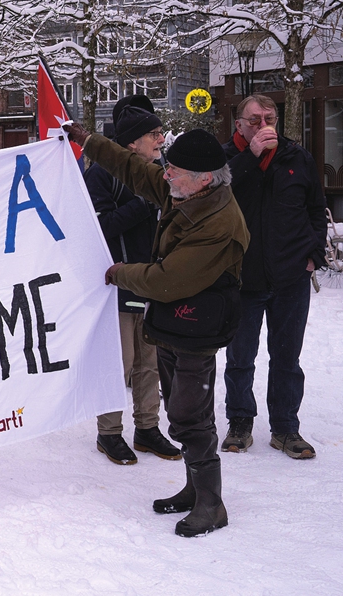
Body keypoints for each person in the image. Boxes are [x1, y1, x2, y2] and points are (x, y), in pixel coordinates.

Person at [65, 116, 249, 537]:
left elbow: (167, 279)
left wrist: (119, 273)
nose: (164, 173)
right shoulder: (183, 193)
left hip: (198, 326)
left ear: (203, 179)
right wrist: (88, 141)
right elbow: (133, 169)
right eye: (167, 167)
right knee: (183, 410)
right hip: (174, 322)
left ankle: (211, 505)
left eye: (174, 170)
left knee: (189, 415)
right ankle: (194, 490)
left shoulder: (218, 222)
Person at [221, 94, 327, 459]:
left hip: (290, 276)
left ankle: (285, 428)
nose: (263, 125)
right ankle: (240, 422)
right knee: (240, 357)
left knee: (287, 357)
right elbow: (217, 197)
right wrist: (250, 156)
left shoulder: (297, 157)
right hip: (241, 277)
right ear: (238, 124)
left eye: (269, 118)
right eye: (254, 119)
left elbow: (316, 208)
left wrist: (313, 254)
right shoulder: (225, 160)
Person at [84, 99, 181, 465]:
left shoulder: (162, 172)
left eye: (160, 133)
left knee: (149, 362)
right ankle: (109, 432)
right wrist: (144, 203)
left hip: (153, 280)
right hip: (116, 282)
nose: (160, 139)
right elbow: (98, 228)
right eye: (152, 134)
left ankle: (148, 428)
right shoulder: (100, 174)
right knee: (120, 361)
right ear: (130, 144)